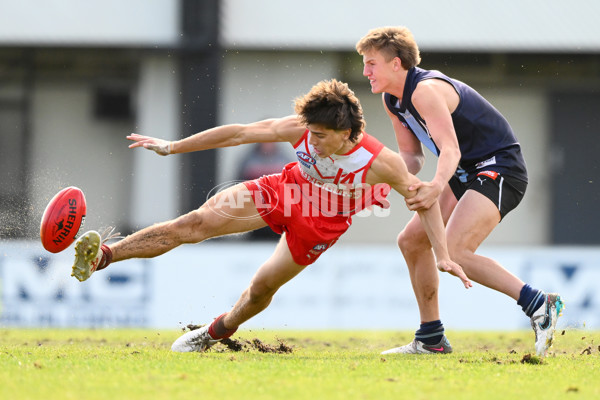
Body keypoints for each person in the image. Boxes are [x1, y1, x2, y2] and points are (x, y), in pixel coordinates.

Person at [70, 79, 471, 352]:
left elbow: (423, 200)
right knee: (194, 224)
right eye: (309, 132)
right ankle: (106, 255)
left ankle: (215, 332)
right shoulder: (301, 128)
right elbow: (240, 133)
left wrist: (442, 253)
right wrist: (173, 146)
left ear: (347, 134)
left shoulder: (380, 163)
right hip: (286, 189)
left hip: (322, 221)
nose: (310, 139)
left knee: (260, 289)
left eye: (320, 136)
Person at [356, 26, 564, 356]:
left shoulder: (424, 91)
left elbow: (450, 150)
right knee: (411, 241)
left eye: (371, 63)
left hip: (500, 167)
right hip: (466, 172)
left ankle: (540, 303)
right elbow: (411, 157)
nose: (365, 71)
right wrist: (370, 183)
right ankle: (431, 338)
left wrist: (435, 186)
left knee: (454, 250)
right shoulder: (391, 100)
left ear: (396, 64)